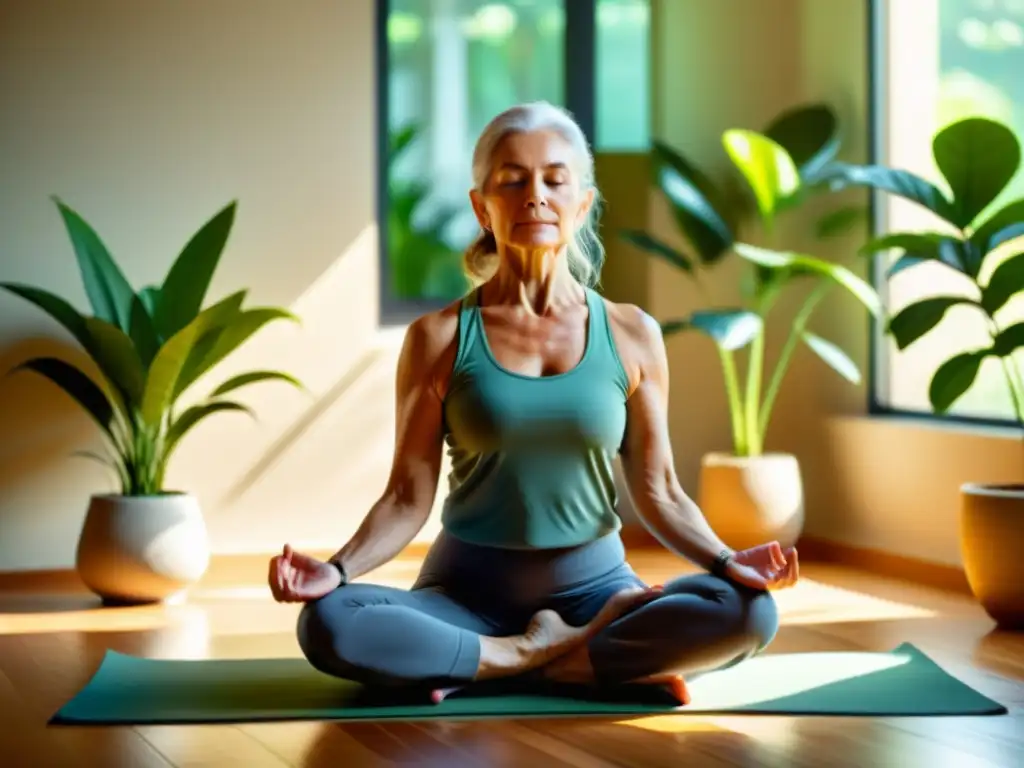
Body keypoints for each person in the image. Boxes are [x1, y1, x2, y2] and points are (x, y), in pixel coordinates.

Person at [268, 101, 797, 704]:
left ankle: (488, 666)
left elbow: (662, 491)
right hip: (464, 599)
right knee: (328, 622)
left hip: (599, 591)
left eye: (554, 179)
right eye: (512, 181)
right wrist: (335, 572)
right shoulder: (438, 338)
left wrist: (730, 563)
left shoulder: (631, 334)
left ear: (582, 204)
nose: (535, 196)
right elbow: (406, 496)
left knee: (750, 613)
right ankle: (558, 656)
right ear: (482, 207)